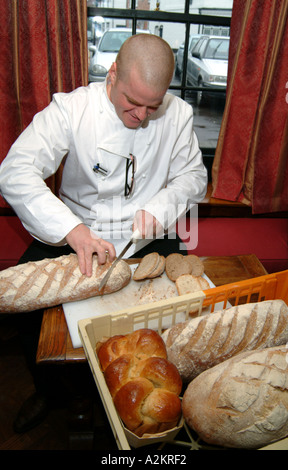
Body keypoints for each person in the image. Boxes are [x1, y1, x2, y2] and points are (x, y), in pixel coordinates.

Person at [0, 34, 207, 433]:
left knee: (173, 308)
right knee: (30, 315)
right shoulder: (72, 108)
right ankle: (50, 390)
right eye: (133, 102)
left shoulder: (178, 115)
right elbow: (14, 171)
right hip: (74, 229)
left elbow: (195, 176)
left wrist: (159, 210)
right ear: (112, 75)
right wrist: (71, 230)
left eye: (153, 106)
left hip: (147, 233)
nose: (142, 116)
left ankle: (155, 385)